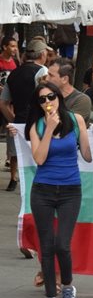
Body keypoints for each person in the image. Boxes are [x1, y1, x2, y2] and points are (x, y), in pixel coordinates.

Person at [24, 82, 91, 298]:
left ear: (59, 97)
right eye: (41, 99)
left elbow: (87, 155)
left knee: (62, 244)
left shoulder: (75, 119)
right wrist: (50, 129)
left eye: (50, 96)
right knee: (47, 246)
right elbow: (39, 159)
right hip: (42, 191)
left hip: (70, 190)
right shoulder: (37, 125)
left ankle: (68, 288)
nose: (47, 102)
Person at [0, 38, 49, 192]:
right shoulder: (43, 71)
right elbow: (46, 98)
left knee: (17, 153)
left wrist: (14, 120)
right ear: (42, 54)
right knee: (39, 155)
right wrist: (50, 114)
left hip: (19, 121)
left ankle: (14, 179)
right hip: (38, 122)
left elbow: (3, 103)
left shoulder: (13, 74)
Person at [47, 58, 91, 125]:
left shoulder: (81, 100)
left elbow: (67, 125)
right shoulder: (47, 95)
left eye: (51, 75)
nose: (47, 78)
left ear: (64, 79)